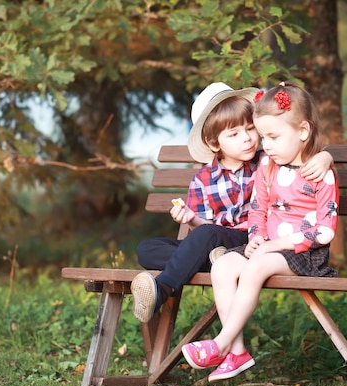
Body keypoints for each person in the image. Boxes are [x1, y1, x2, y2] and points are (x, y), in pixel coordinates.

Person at [132, 82, 334, 323]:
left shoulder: (269, 159)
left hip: (251, 239)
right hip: (215, 243)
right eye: (234, 134)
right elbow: (204, 228)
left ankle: (163, 287)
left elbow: (302, 147)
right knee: (146, 249)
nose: (248, 139)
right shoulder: (203, 180)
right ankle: (214, 258)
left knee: (206, 237)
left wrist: (325, 156)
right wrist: (191, 219)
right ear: (215, 143)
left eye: (250, 129)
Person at [181, 81, 339, 382]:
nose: (265, 145)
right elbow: (258, 209)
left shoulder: (321, 173)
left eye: (273, 137)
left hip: (305, 254)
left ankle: (221, 343)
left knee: (257, 266)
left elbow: (324, 232)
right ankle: (237, 352)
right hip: (267, 247)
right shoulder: (267, 167)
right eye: (264, 136)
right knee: (224, 264)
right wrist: (255, 237)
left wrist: (273, 244)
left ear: (302, 132)